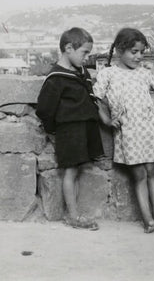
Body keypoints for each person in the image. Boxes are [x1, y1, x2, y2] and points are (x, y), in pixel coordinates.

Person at [93, 28, 154, 233]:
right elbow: (96, 98)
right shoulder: (108, 73)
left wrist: (149, 102)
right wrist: (107, 120)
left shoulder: (145, 73)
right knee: (139, 175)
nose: (139, 56)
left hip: (148, 128)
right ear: (119, 50)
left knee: (152, 171)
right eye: (134, 52)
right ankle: (148, 219)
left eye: (141, 52)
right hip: (128, 132)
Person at [36, 27, 103, 230]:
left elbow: (92, 99)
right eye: (84, 52)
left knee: (77, 170)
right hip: (69, 131)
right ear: (68, 48)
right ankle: (73, 216)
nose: (87, 57)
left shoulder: (82, 73)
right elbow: (45, 109)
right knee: (70, 172)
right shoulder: (56, 78)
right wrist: (54, 130)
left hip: (84, 129)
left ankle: (74, 213)